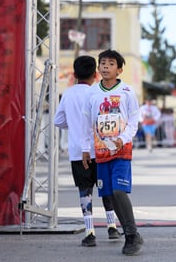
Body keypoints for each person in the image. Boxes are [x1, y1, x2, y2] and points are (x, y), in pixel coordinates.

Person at [54, 55, 121, 247]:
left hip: (77, 151)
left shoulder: (68, 94)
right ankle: (111, 226)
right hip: (101, 149)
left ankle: (90, 231)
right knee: (105, 188)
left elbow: (58, 121)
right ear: (96, 73)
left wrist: (74, 126)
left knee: (85, 191)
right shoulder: (98, 93)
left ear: (75, 74)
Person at [81, 49, 144, 256]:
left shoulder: (127, 91)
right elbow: (87, 122)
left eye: (110, 63)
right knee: (109, 195)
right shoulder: (92, 92)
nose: (105, 66)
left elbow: (134, 120)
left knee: (119, 192)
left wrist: (122, 139)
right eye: (103, 63)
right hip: (101, 152)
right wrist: (85, 149)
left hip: (122, 150)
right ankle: (130, 234)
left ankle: (132, 234)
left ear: (119, 69)